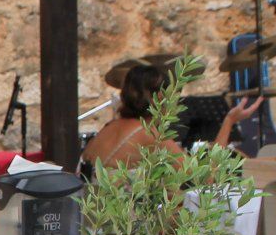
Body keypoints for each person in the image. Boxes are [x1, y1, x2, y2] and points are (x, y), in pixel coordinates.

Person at [81, 63, 262, 169]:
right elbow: (204, 178)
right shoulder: (149, 134)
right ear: (161, 98)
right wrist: (229, 121)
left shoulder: (110, 126)